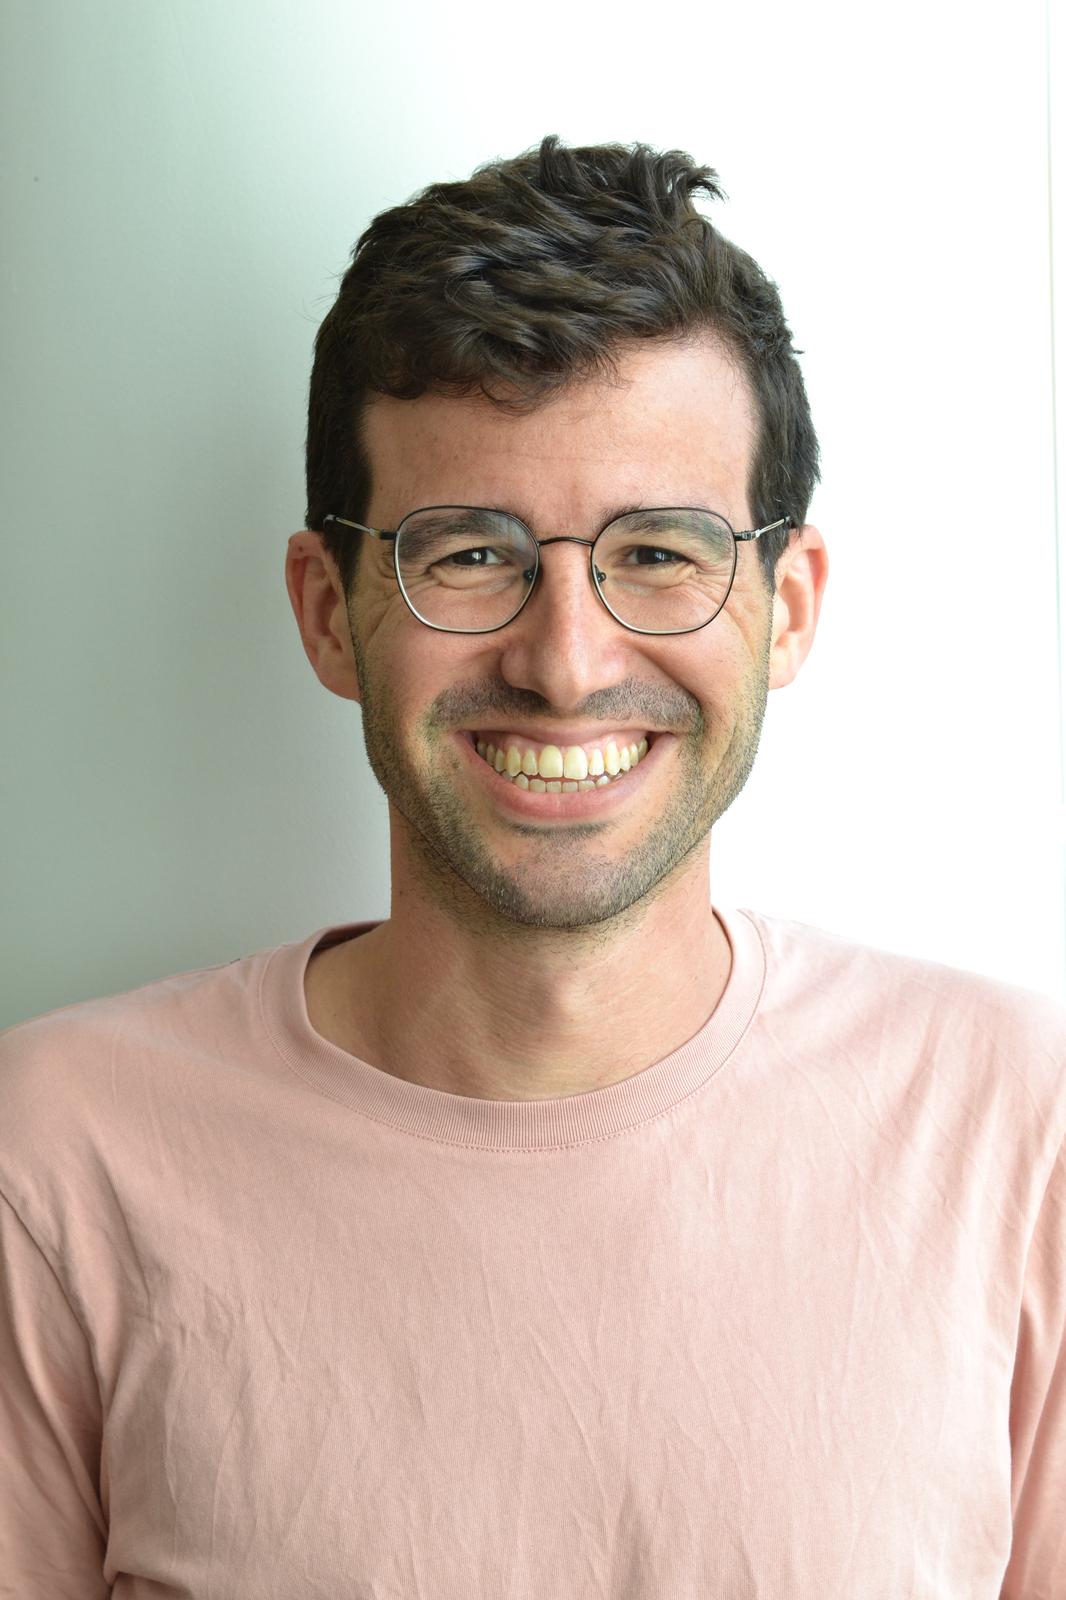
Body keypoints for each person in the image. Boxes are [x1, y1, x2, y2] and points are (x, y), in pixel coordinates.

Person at [0, 136, 1062, 1598]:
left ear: (787, 606)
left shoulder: (1019, 1133)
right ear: (328, 611)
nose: (565, 663)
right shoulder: (54, 1160)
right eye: (469, 554)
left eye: (661, 552)